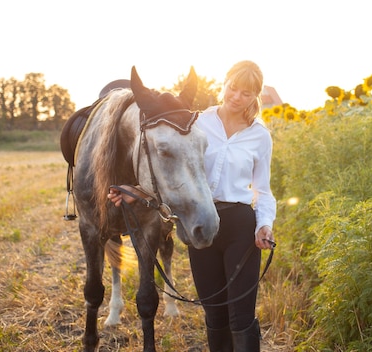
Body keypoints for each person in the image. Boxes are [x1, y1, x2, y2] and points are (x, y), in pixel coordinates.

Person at [108, 60, 276, 352]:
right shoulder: (195, 122)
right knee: (214, 312)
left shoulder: (260, 136)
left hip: (239, 224)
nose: (236, 97)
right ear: (224, 84)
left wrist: (264, 225)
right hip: (200, 218)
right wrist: (138, 190)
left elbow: (263, 190)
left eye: (246, 93)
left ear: (255, 96)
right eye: (233, 88)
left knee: (241, 314)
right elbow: (168, 164)